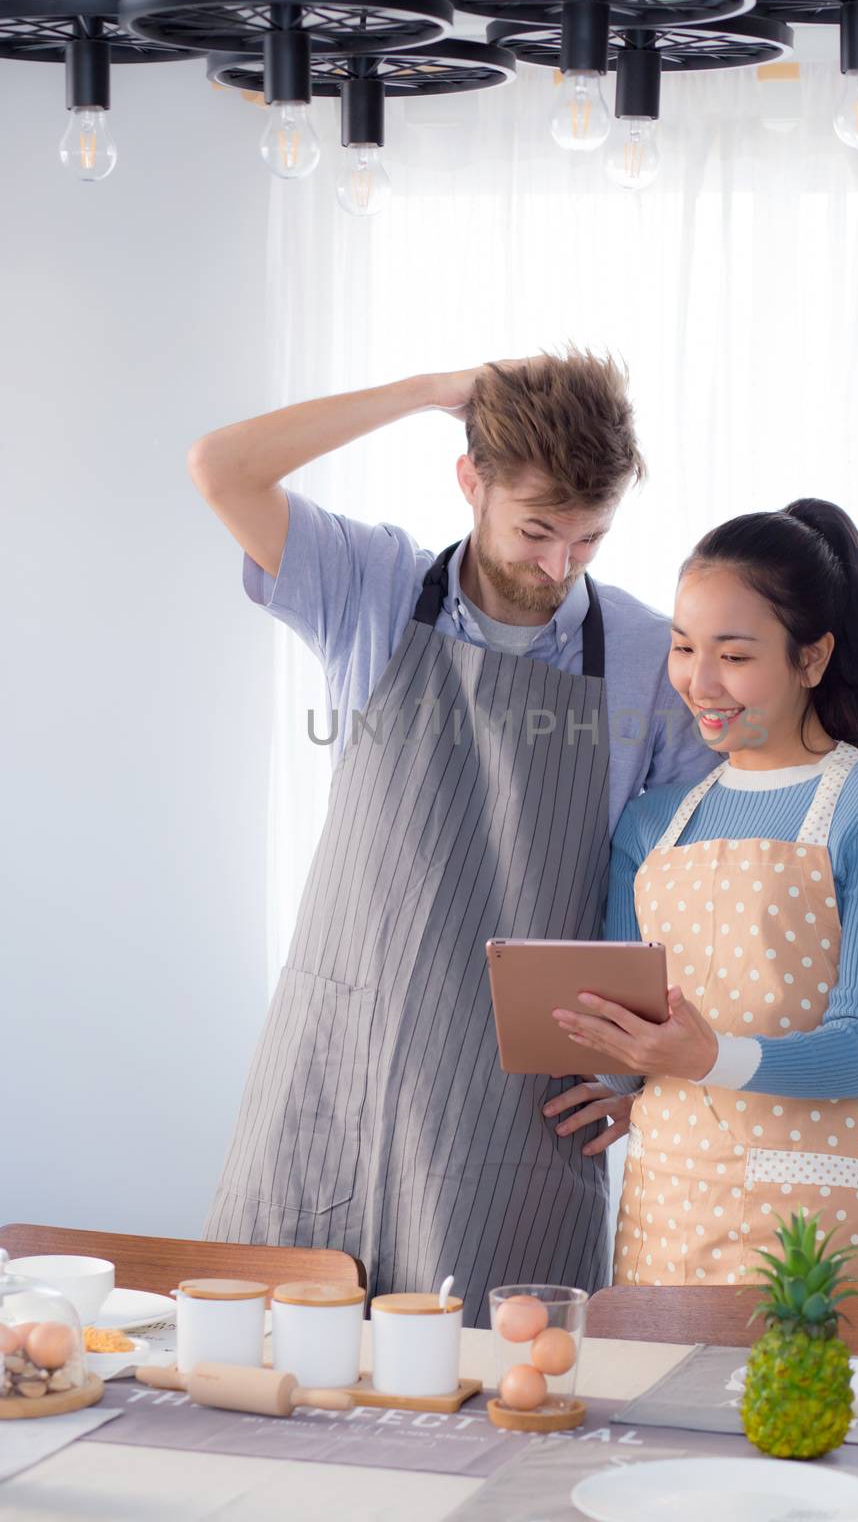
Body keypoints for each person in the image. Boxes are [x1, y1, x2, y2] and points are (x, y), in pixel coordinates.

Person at [187, 350, 711, 1322]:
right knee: (285, 1380)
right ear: (470, 481)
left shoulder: (646, 653)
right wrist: (426, 394)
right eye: (536, 529)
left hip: (511, 1110)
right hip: (342, 1067)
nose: (557, 565)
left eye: (588, 540)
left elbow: (702, 890)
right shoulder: (369, 584)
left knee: (508, 1410)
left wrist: (645, 1077)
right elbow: (222, 467)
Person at [550, 498, 858, 1285]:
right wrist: (630, 1081)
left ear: (811, 657)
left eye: (732, 654)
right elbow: (641, 1026)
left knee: (801, 1412)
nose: (697, 681)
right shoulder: (651, 824)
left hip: (810, 1225)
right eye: (683, 646)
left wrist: (705, 1058)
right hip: (666, 1207)